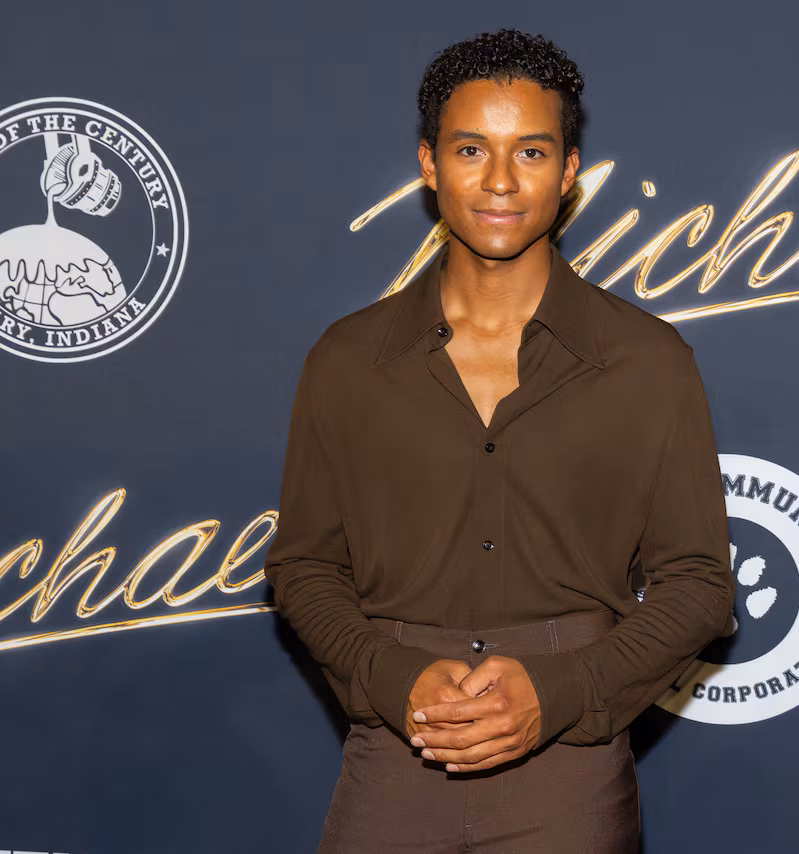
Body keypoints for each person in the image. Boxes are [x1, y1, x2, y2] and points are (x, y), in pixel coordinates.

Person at [265, 28, 735, 853]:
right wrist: (392, 675)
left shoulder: (649, 362)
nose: (500, 181)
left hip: (571, 772)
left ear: (569, 171)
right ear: (428, 164)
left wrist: (561, 691)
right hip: (395, 753)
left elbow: (699, 586)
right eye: (472, 149)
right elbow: (303, 567)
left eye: (531, 152)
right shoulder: (347, 361)